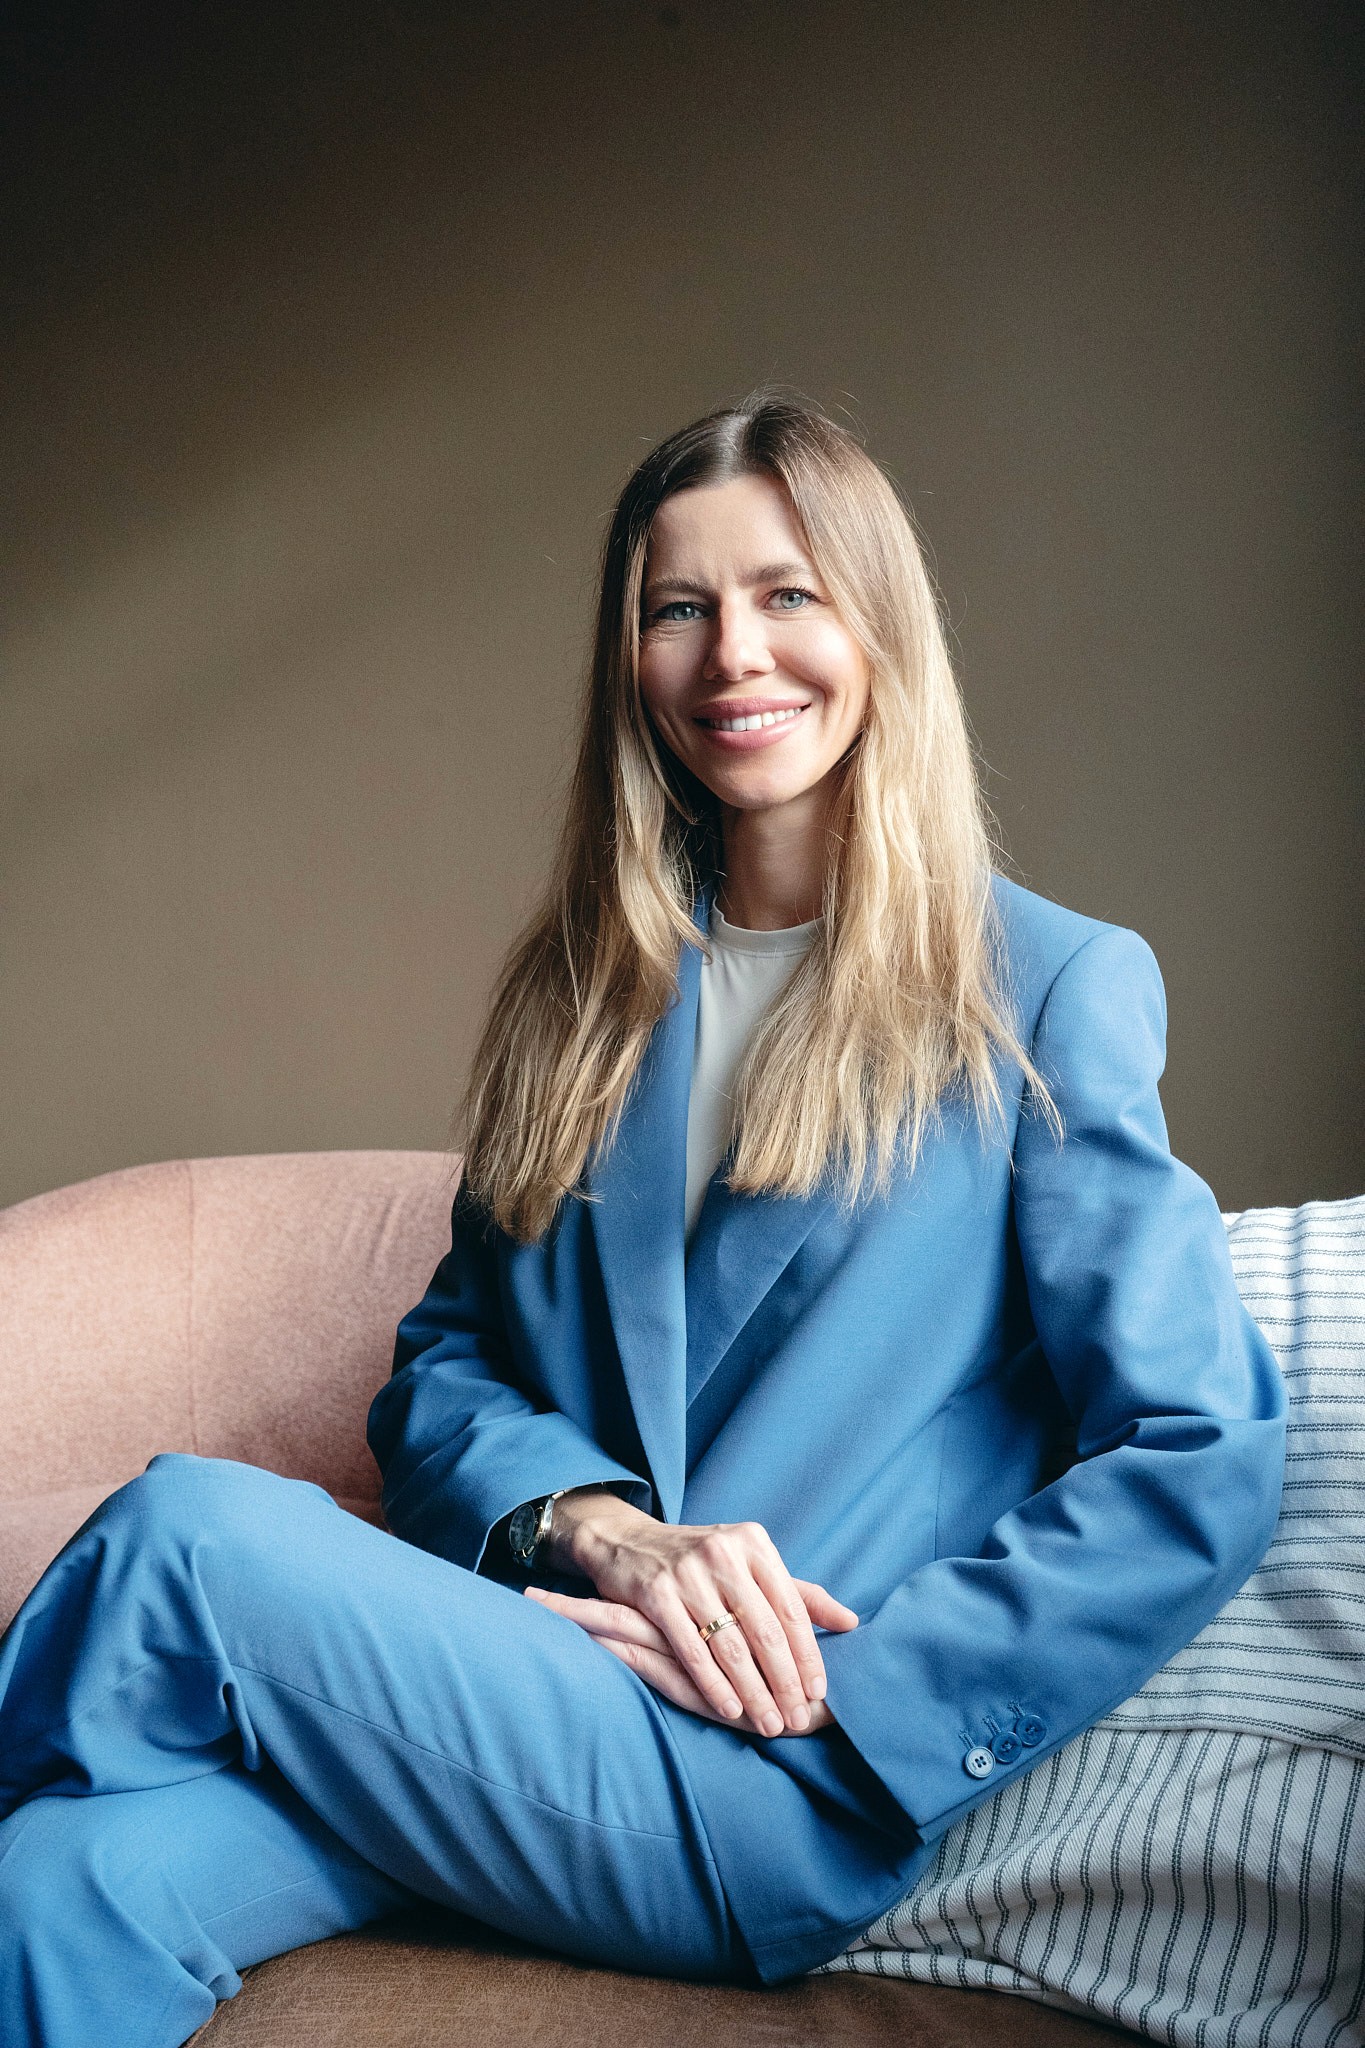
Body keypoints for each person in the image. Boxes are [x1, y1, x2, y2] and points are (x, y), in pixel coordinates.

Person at [0, 392, 1287, 2045]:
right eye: (676, 608)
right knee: (48, 1894)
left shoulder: (1042, 987)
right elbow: (447, 1365)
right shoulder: (585, 991)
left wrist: (862, 1708)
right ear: (633, 658)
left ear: (876, 625)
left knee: (190, 1535)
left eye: (785, 594)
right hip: (498, 1695)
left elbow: (1196, 1446)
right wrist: (598, 1526)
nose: (730, 654)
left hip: (753, 1773)